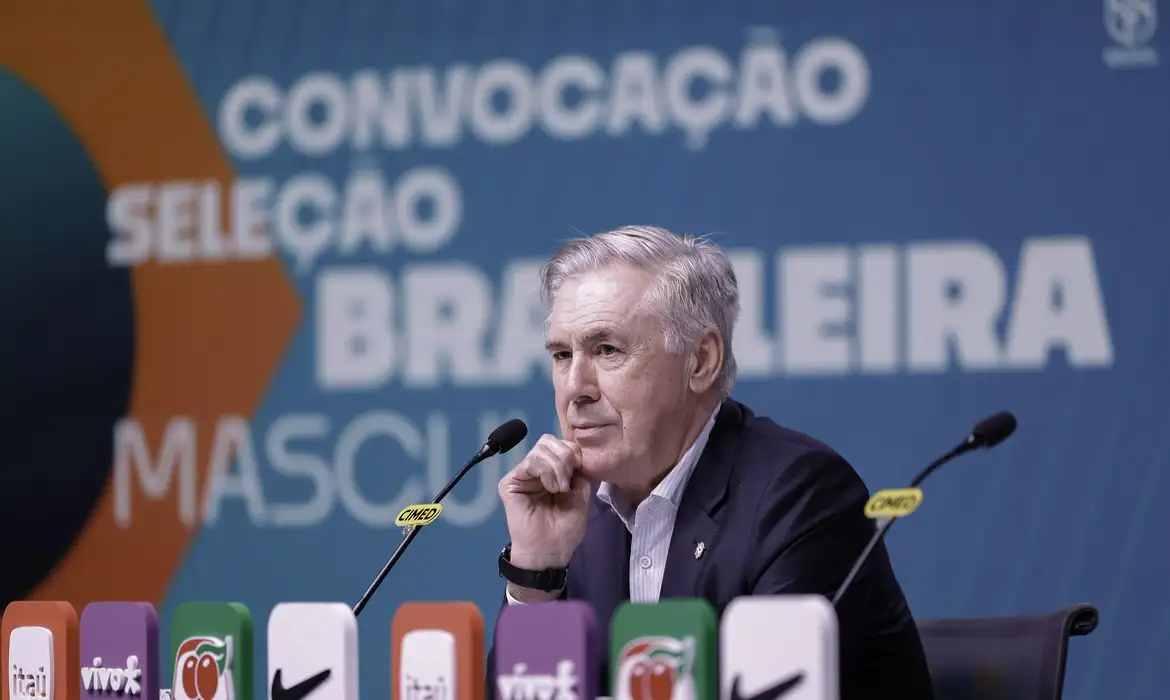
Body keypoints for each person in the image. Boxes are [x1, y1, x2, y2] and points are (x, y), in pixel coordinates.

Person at [491, 225, 934, 700]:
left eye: (607, 350)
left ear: (701, 361)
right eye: (562, 355)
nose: (575, 387)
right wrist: (536, 578)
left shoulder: (799, 496)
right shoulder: (576, 517)